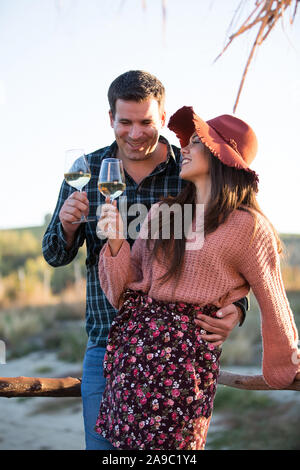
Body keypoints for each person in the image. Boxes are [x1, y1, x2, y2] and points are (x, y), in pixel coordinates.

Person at [42, 71, 248, 450]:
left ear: (163, 116)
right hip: (106, 342)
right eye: (125, 122)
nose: (135, 133)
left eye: (146, 122)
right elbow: (54, 255)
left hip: (176, 352)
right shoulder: (86, 172)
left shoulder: (188, 171)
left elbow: (231, 251)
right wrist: (68, 228)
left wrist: (237, 307)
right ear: (110, 119)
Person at [94, 106, 300, 450]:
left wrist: (287, 363)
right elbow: (123, 291)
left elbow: (273, 302)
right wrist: (116, 241)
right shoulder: (166, 212)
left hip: (183, 364)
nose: (183, 149)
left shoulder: (248, 227)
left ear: (222, 157)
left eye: (195, 143)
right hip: (133, 357)